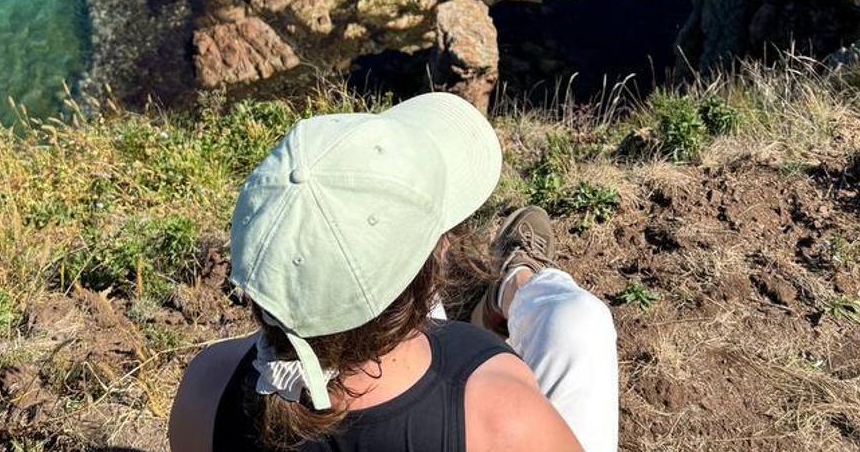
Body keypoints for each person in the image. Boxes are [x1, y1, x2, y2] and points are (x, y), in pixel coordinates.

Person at [168, 92, 619, 452]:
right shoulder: (494, 404)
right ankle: (516, 285)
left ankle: (508, 289)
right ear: (440, 253)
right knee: (578, 319)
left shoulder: (206, 391)